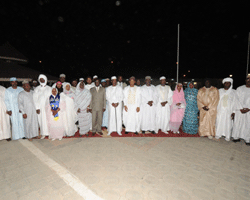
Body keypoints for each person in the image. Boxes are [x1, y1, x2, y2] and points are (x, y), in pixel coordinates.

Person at [232, 75, 250, 145]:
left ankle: (247, 139)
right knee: (238, 123)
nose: (249, 80)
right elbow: (236, 99)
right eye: (248, 79)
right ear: (245, 80)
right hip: (239, 110)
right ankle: (236, 137)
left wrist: (248, 109)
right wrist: (240, 108)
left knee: (248, 125)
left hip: (249, 111)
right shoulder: (239, 89)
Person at [33, 74, 52, 139]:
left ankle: (50, 133)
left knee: (49, 120)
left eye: (43, 79)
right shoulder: (37, 89)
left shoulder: (49, 88)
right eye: (40, 79)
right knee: (41, 120)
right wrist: (37, 108)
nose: (42, 80)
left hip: (48, 107)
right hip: (40, 107)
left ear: (45, 80)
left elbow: (52, 98)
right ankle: (43, 133)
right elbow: (35, 99)